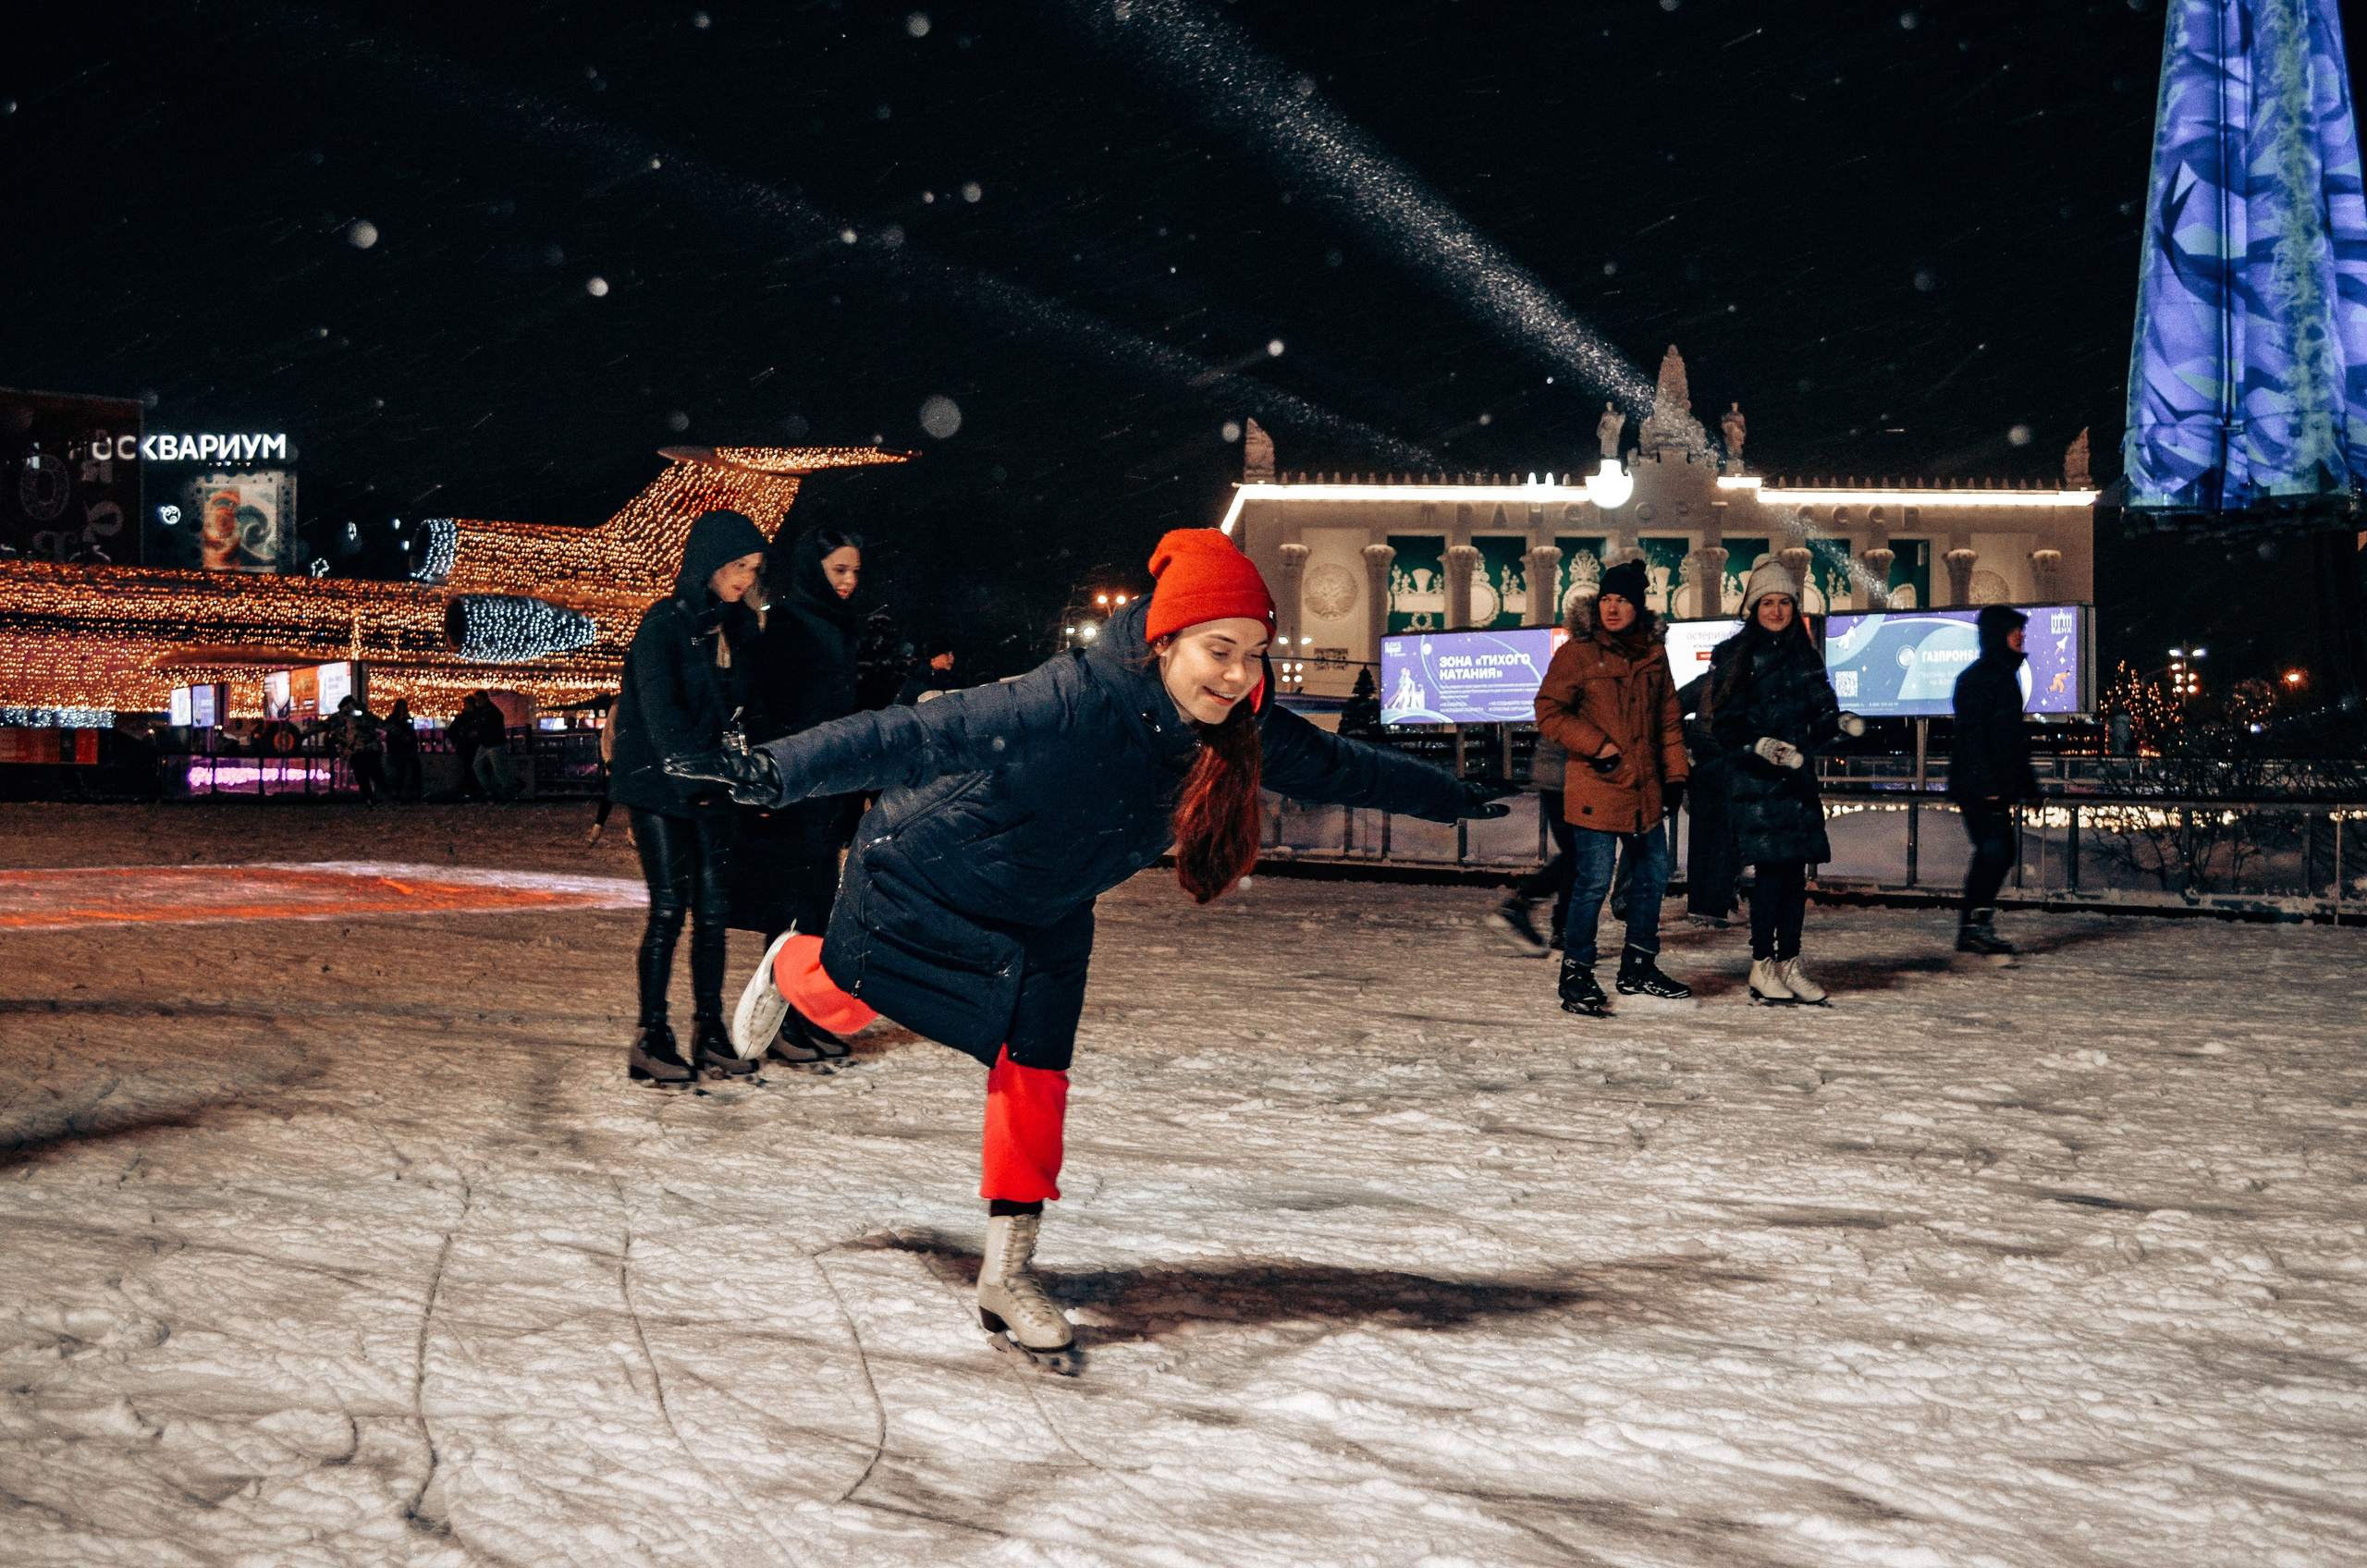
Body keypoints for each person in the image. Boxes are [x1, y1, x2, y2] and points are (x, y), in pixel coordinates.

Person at [667, 529, 1515, 1368]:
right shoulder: (1070, 697)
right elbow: (911, 737)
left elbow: (1344, 767)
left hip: (1051, 907)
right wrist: (774, 771)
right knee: (856, 993)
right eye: (1221, 651)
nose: (1238, 676)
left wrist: (1453, 796)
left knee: (1033, 1075)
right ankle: (791, 963)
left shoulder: (1239, 726)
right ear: (1166, 640)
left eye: (1256, 655)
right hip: (936, 871)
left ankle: (1008, 1275)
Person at [607, 508, 770, 1084]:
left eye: (754, 568)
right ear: (710, 562)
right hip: (658, 786)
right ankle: (651, 1035)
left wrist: (744, 773)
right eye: (738, 565)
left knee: (714, 913)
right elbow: (662, 716)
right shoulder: (664, 625)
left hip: (708, 789)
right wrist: (694, 777)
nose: (746, 577)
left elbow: (741, 715)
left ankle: (710, 1031)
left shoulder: (732, 629)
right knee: (671, 907)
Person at [732, 525, 868, 1063]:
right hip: (795, 785)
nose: (850, 581)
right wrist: (774, 772)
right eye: (839, 570)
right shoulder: (788, 626)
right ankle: (783, 1025)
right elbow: (763, 704)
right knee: (791, 907)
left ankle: (802, 1019)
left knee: (817, 907)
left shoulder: (840, 626)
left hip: (830, 784)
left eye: (855, 571)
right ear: (814, 569)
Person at [1530, 561, 1693, 1013]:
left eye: (1622, 600)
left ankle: (1639, 967)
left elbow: (1668, 721)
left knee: (1652, 877)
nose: (1613, 607)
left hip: (1644, 791)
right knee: (1592, 883)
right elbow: (1548, 710)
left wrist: (1676, 775)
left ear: (1637, 606)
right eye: (1606, 599)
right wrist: (1597, 744)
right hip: (1597, 786)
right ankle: (1576, 975)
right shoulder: (1577, 653)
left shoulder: (1653, 654)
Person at [1708, 555, 1865, 1006]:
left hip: (1796, 784)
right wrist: (1763, 747)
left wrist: (1840, 724)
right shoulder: (1734, 656)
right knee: (1772, 875)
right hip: (1757, 785)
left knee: (1795, 876)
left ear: (1795, 608)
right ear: (1752, 609)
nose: (1777, 611)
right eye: (1767, 603)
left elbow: (1820, 721)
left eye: (1784, 603)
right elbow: (1724, 727)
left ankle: (1791, 962)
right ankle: (1762, 964)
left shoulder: (1806, 656)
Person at [1949, 605, 2038, 955]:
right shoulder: (1981, 677)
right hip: (1980, 787)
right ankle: (1973, 927)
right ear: (1996, 635)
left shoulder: (2001, 675)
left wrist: (2027, 787)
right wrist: (1986, 785)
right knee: (1996, 852)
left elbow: (2012, 742)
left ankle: (1976, 925)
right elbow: (1971, 738)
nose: (2021, 636)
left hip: (1992, 786)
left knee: (1998, 853)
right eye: (2014, 630)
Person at [333, 695, 387, 808]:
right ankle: (383, 796)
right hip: (371, 749)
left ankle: (369, 798)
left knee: (362, 775)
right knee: (376, 773)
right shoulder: (365, 714)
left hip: (356, 751)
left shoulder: (342, 717)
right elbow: (382, 724)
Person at [895, 636, 960, 704]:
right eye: (947, 655)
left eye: (952, 654)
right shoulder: (915, 683)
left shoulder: (957, 682)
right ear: (933, 659)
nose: (952, 658)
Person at [384, 698, 422, 801]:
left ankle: (413, 790)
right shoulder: (392, 720)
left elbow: (412, 735)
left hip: (407, 748)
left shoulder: (407, 719)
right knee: (400, 769)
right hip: (397, 748)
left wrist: (413, 746)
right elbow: (391, 735)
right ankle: (398, 791)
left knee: (413, 768)